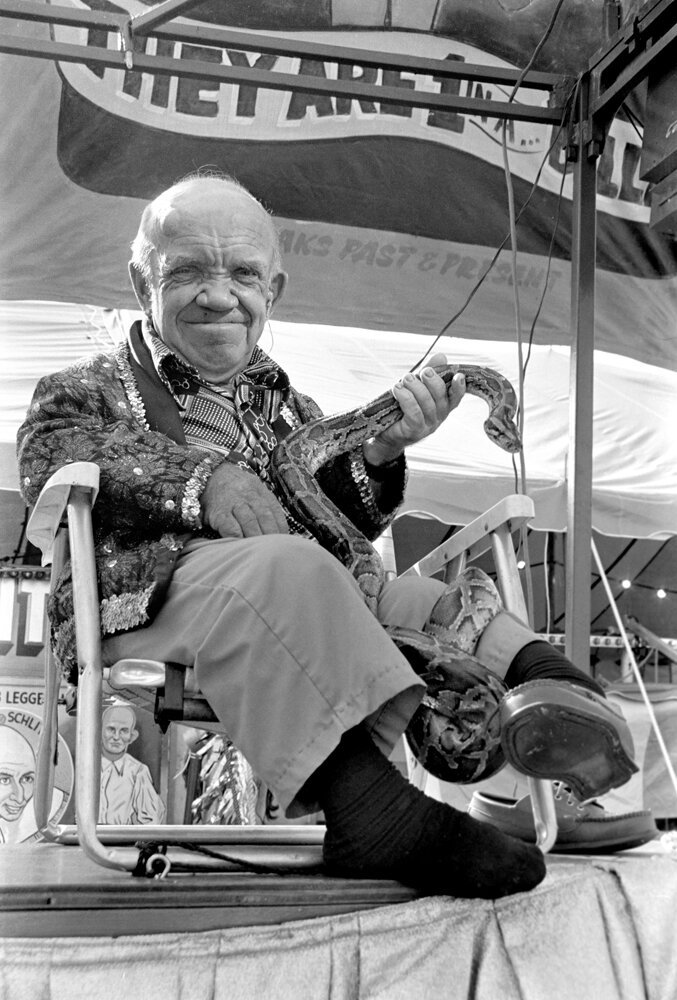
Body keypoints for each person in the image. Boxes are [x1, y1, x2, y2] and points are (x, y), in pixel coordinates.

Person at [17, 172, 638, 898]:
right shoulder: (84, 386)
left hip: (298, 602)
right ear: (140, 281)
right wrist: (203, 481)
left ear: (272, 289)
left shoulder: (296, 410)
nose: (220, 295)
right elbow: (47, 451)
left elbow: (337, 523)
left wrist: (377, 454)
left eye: (242, 273)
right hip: (150, 606)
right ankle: (367, 811)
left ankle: (558, 698)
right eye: (187, 271)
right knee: (289, 569)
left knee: (416, 596)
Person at [99, 704, 165, 825]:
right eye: (111, 729)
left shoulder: (138, 771)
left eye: (123, 731)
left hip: (123, 842)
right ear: (99, 731)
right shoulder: (86, 768)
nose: (116, 737)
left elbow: (151, 820)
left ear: (132, 736)